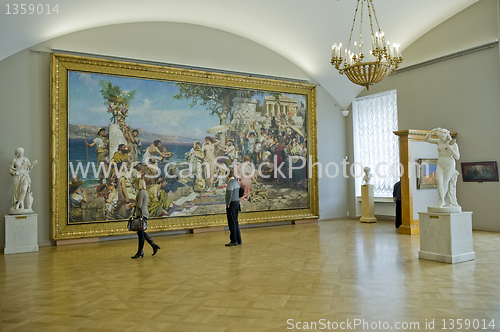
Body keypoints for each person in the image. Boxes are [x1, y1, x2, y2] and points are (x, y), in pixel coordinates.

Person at [424, 128, 460, 208]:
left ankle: (442, 200)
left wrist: (450, 148)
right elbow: (426, 139)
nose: (441, 139)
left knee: (445, 181)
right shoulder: (439, 141)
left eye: (442, 137)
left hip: (449, 163)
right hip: (440, 163)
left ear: (446, 135)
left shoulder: (453, 144)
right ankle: (441, 200)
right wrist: (432, 131)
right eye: (439, 137)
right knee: (438, 181)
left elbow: (457, 157)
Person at [132, 177, 161, 258]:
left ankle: (140, 251)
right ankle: (153, 245)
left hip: (141, 213)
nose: (134, 185)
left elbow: (139, 205)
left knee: (140, 233)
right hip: (144, 213)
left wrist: (134, 204)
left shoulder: (141, 192)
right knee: (140, 233)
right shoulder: (144, 192)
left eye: (135, 183)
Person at [9, 147, 37, 213]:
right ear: (17, 153)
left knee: (24, 190)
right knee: (17, 192)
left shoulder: (25, 159)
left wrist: (32, 164)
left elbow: (29, 168)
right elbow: (10, 169)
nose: (21, 154)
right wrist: (13, 172)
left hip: (25, 176)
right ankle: (19, 205)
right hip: (16, 176)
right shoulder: (14, 160)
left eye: (22, 152)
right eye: (19, 152)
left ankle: (18, 204)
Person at [225, 169, 242, 246]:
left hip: (232, 204)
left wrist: (227, 204)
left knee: (232, 223)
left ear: (228, 176)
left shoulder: (230, 183)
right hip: (237, 203)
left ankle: (233, 240)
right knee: (235, 222)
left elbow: (229, 195)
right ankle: (238, 240)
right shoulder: (236, 182)